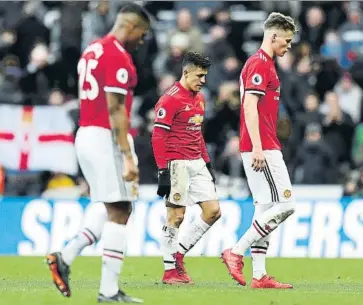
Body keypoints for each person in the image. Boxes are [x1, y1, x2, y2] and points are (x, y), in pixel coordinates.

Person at [45, 3, 150, 303]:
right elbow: (116, 108)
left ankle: (65, 256)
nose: (142, 41)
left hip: (86, 133)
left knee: (109, 205)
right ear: (130, 27)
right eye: (142, 34)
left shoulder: (92, 50)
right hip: (105, 137)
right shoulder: (118, 56)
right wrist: (127, 155)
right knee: (120, 210)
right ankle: (108, 291)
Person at [221, 12, 297, 289]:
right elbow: (249, 107)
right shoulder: (258, 64)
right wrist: (257, 147)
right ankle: (236, 251)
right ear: (273, 36)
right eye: (286, 40)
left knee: (264, 207)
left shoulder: (264, 64)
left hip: (262, 143)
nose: (288, 46)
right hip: (261, 145)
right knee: (286, 204)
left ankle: (259, 275)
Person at [151, 51, 221, 285]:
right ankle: (169, 270)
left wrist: (208, 163)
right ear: (186, 72)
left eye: (205, 76)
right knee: (176, 216)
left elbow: (197, 132)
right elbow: (158, 137)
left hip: (196, 161)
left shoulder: (199, 99)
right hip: (176, 163)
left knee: (213, 211)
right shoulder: (169, 99)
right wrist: (163, 171)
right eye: (199, 76)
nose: (203, 81)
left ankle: (178, 253)